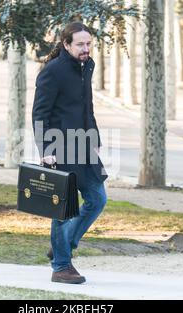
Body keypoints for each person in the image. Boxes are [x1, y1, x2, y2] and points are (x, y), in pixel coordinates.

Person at [32, 22, 108, 285]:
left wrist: (95, 136)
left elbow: (87, 105)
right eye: (80, 44)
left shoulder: (87, 66)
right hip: (60, 147)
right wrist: (45, 150)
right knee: (63, 210)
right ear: (66, 44)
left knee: (97, 199)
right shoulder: (52, 72)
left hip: (84, 145)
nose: (86, 49)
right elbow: (40, 113)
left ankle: (64, 244)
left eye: (88, 44)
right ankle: (61, 266)